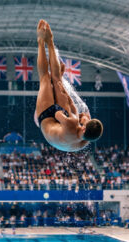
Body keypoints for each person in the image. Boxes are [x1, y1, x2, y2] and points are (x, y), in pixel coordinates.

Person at [34, 20, 103, 152]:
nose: (85, 118)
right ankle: (51, 43)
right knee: (57, 79)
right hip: (62, 133)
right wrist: (62, 90)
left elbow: (58, 113)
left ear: (83, 128)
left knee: (46, 79)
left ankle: (42, 42)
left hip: (47, 120)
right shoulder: (86, 139)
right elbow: (71, 107)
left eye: (86, 121)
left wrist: (59, 89)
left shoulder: (73, 123)